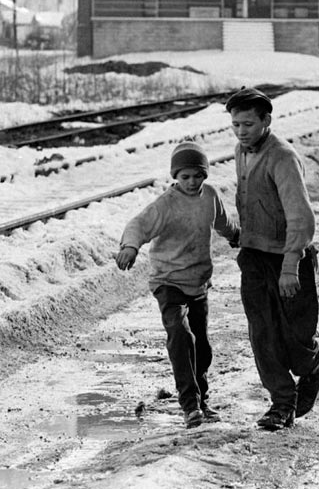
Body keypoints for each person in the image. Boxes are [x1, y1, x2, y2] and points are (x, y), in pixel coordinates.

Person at [115, 141, 240, 429]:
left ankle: (202, 399)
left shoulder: (209, 196)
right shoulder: (166, 204)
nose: (192, 182)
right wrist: (130, 248)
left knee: (202, 346)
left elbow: (223, 223)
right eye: (185, 177)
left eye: (198, 175)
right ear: (176, 176)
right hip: (168, 282)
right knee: (181, 338)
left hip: (198, 283)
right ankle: (190, 406)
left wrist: (236, 237)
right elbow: (138, 224)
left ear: (205, 175)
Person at [226, 86, 319, 431]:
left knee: (294, 337)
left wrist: (289, 267)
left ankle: (311, 369)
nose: (241, 132)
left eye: (248, 124)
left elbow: (301, 218)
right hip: (254, 257)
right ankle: (282, 403)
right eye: (236, 124)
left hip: (288, 259)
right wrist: (240, 233)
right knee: (262, 335)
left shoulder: (282, 157)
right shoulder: (241, 151)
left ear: (267, 121)